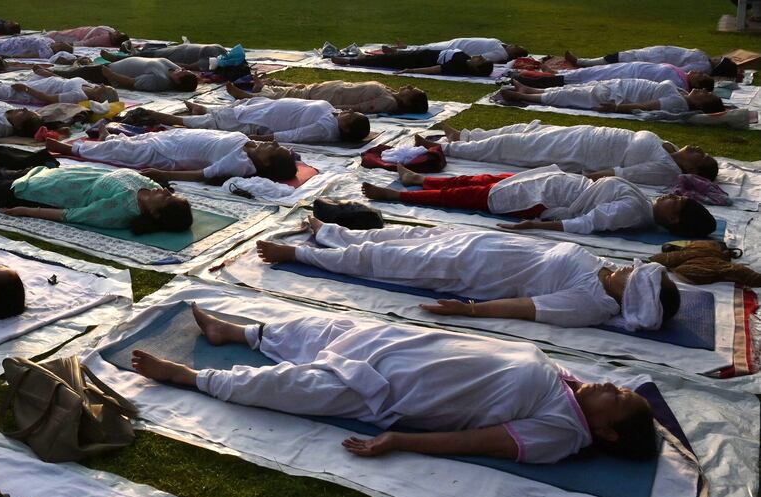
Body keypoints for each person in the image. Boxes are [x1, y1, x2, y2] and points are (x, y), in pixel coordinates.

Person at [131, 303, 658, 464]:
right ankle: (241, 331)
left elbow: (476, 442)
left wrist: (400, 440)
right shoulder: (576, 389)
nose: (609, 386)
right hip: (407, 345)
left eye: (617, 396)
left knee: (295, 387)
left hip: (390, 388)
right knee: (323, 328)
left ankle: (194, 377)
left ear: (606, 433)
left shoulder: (562, 432)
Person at [256, 218, 681, 330]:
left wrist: (471, 311)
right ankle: (330, 232)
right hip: (475, 243)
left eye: (636, 276)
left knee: (377, 260)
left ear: (633, 298)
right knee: (395, 236)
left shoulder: (591, 304)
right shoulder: (601, 270)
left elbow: (526, 308)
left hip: (467, 269)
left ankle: (295, 253)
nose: (631, 266)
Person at [363, 164, 717, 237]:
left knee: (471, 196)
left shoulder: (634, 212)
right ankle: (420, 177)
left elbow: (586, 223)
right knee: (483, 178)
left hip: (545, 200)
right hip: (560, 182)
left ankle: (398, 194)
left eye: (678, 205)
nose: (673, 198)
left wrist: (538, 224)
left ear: (673, 222)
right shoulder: (646, 201)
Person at [427, 122, 718, 186]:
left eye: (700, 156)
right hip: (585, 134)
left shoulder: (665, 170)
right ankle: (466, 136)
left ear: (692, 171)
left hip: (582, 152)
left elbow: (618, 174)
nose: (697, 149)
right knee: (525, 132)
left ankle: (448, 148)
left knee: (512, 147)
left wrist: (575, 180)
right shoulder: (669, 148)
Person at [0, 164, 193, 234]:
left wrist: (25, 211)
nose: (166, 192)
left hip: (36, 192)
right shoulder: (153, 188)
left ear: (155, 213)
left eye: (168, 199)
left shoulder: (121, 210)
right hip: (48, 175)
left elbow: (71, 214)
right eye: (171, 194)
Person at [45, 128, 299, 182]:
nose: (273, 143)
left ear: (265, 162)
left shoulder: (240, 164)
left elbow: (203, 174)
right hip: (174, 137)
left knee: (123, 151)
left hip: (167, 154)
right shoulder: (251, 146)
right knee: (135, 140)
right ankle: (105, 138)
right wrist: (291, 156)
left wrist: (162, 174)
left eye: (274, 149)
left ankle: (73, 149)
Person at [142, 97, 371, 143]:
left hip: (261, 122)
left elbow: (293, 136)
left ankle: (168, 119)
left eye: (351, 115)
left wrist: (255, 137)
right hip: (266, 108)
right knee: (240, 106)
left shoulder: (325, 129)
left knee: (217, 122)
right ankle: (203, 108)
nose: (348, 110)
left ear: (347, 126)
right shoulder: (333, 117)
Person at [496, 78, 725, 115]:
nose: (703, 90)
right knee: (572, 91)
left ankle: (525, 97)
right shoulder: (683, 94)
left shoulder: (678, 102)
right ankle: (531, 90)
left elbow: (646, 106)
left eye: (705, 95)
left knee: (571, 96)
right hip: (618, 87)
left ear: (699, 105)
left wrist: (615, 109)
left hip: (616, 96)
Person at [228, 78, 429, 115]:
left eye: (412, 90)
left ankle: (247, 96)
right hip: (332, 91)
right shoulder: (390, 93)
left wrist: (334, 110)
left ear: (409, 100)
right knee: (297, 91)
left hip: (333, 99)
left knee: (292, 97)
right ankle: (261, 89)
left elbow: (361, 108)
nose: (409, 86)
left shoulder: (389, 102)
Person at [515, 62, 715, 92]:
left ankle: (526, 81)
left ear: (697, 83)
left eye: (701, 75)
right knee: (582, 74)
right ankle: (530, 78)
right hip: (627, 68)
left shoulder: (678, 84)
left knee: (580, 79)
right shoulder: (682, 75)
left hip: (625, 76)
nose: (698, 72)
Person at [48, 57, 198, 92]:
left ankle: (50, 73)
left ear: (178, 82)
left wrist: (110, 75)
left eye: (182, 73)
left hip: (106, 74)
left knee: (73, 74)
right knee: (78, 67)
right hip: (112, 65)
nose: (181, 70)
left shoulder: (159, 81)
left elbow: (131, 82)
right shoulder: (173, 71)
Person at [564, 46, 739, 77]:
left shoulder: (703, 66)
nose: (716, 57)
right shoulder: (705, 58)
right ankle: (583, 63)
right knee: (617, 57)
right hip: (655, 53)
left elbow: (677, 70)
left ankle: (581, 63)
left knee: (616, 59)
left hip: (654, 60)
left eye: (720, 60)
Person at [332, 49, 494, 76]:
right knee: (388, 59)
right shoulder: (465, 59)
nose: (479, 56)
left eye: (481, 60)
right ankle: (368, 58)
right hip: (422, 53)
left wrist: (411, 71)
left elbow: (434, 69)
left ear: (477, 68)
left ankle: (349, 61)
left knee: (386, 61)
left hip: (418, 60)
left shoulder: (458, 67)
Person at [383, 37, 528, 64]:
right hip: (456, 42)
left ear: (514, 54)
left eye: (515, 47)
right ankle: (405, 48)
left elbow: (480, 58)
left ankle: (399, 53)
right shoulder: (501, 45)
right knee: (429, 46)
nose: (513, 44)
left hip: (456, 49)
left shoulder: (500, 54)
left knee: (427, 51)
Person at [0, 75, 119, 104]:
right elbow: (64, 79)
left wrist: (25, 89)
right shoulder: (89, 86)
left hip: (33, 91)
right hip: (42, 82)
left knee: (0, 91)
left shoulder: (78, 96)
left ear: (99, 98)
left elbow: (48, 99)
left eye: (103, 88)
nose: (101, 85)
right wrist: (46, 72)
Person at [100, 43, 227, 71]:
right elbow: (193, 66)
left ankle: (118, 59)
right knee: (154, 51)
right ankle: (134, 52)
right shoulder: (219, 54)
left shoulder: (217, 57)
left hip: (181, 53)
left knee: (150, 55)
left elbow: (191, 66)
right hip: (182, 51)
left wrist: (174, 65)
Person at [0, 36, 73, 59]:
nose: (60, 42)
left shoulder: (47, 53)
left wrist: (11, 56)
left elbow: (29, 55)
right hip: (14, 41)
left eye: (61, 43)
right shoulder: (51, 41)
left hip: (11, 48)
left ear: (59, 49)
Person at [45, 26, 129, 47]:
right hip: (82, 31)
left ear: (114, 39)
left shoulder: (104, 38)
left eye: (118, 34)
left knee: (53, 36)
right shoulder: (110, 32)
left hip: (77, 37)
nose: (117, 32)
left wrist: (70, 44)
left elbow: (85, 43)